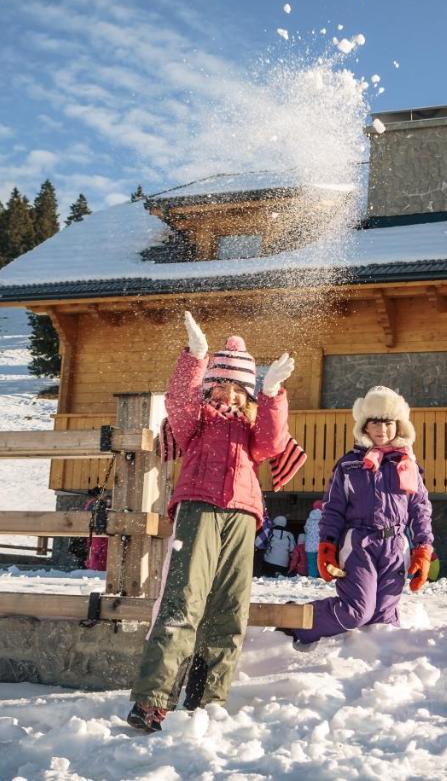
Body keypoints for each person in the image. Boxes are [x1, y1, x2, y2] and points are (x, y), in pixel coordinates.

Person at [126, 312, 294, 734]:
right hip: (198, 508)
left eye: (239, 387)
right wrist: (195, 357)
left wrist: (272, 392)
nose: (231, 394)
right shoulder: (196, 422)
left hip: (242, 515)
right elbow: (178, 403)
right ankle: (153, 700)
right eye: (223, 384)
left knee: (229, 611)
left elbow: (273, 442)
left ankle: (206, 701)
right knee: (182, 601)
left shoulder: (252, 429)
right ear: (210, 385)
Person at [288, 386, 434, 644]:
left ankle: (370, 670)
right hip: (358, 544)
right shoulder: (349, 465)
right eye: (374, 422)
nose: (382, 429)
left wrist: (423, 548)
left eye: (388, 422)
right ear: (364, 427)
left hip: (395, 546)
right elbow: (332, 508)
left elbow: (420, 508)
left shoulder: (407, 464)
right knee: (355, 612)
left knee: (383, 620)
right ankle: (296, 622)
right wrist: (326, 545)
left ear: (398, 426)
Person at [303, 499, 323, 579]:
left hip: (310, 545)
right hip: (320, 545)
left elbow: (306, 529)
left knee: (311, 563)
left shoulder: (309, 519)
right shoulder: (324, 518)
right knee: (321, 563)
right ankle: (321, 577)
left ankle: (312, 578)